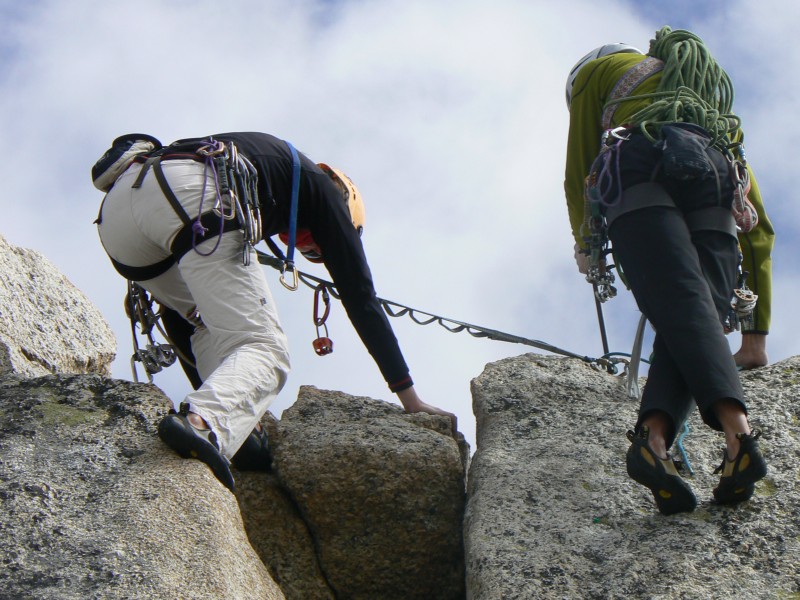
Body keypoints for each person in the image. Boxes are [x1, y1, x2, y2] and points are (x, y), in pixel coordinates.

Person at [93, 131, 456, 491]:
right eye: (317, 248)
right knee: (266, 348)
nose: (312, 249)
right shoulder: (324, 189)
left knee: (207, 324)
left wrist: (239, 421)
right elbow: (361, 298)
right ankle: (205, 421)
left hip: (120, 225)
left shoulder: (274, 174)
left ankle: (230, 428)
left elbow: (180, 321)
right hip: (188, 193)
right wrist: (410, 398)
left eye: (314, 253)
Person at [564, 27, 768, 514]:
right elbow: (759, 230)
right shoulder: (705, 97)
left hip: (638, 162)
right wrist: (755, 338)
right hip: (716, 173)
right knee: (698, 308)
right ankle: (653, 444)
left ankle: (740, 438)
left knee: (678, 297)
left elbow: (579, 169)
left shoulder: (596, 72)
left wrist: (584, 241)